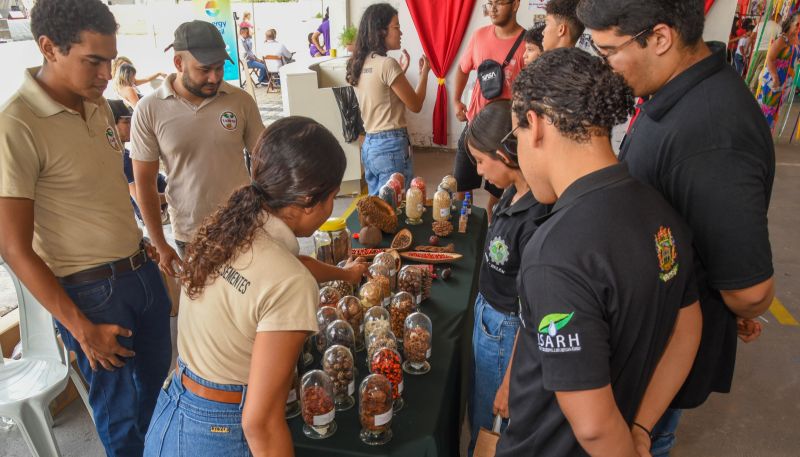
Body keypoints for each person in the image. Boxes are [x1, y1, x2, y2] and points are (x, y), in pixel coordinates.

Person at [577, 0, 776, 455]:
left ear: (661, 38)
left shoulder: (711, 134)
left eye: (609, 52)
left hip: (656, 364)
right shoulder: (677, 94)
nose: (606, 68)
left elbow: (749, 291)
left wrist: (743, 304)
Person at [496, 47, 702, 457]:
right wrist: (640, 428)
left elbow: (591, 426)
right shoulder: (660, 212)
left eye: (514, 135)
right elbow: (688, 325)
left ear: (534, 126)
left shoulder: (555, 254)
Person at [0, 1, 172, 455]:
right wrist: (78, 327)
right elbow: (14, 247)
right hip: (92, 295)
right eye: (93, 61)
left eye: (110, 60)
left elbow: (107, 190)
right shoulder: (16, 124)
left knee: (158, 396)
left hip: (140, 272)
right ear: (48, 48)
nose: (105, 74)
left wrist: (149, 247)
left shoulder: (96, 107)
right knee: (120, 414)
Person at [143, 116, 345, 456]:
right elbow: (260, 424)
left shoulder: (227, 229)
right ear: (310, 199)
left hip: (172, 412)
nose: (330, 208)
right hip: (217, 433)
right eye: (332, 198)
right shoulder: (290, 281)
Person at [131, 20, 265, 276]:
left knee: (251, 306)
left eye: (219, 68)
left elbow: (265, 158)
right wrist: (160, 244)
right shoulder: (149, 109)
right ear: (179, 64)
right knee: (208, 306)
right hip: (191, 234)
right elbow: (144, 183)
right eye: (204, 69)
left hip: (244, 227)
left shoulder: (240, 101)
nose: (214, 77)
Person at [463, 100, 547, 457]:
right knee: (478, 404)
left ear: (505, 153)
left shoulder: (536, 216)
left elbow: (532, 314)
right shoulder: (513, 193)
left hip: (506, 331)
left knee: (491, 418)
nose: (481, 173)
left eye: (482, 161)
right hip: (490, 316)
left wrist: (510, 381)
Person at [346, 3, 430, 195]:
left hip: (370, 146)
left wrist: (401, 71)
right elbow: (416, 104)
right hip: (391, 147)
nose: (400, 33)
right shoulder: (387, 64)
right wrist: (424, 73)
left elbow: (381, 94)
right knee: (396, 212)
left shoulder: (359, 63)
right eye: (396, 27)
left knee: (377, 210)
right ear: (381, 31)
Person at [452, 0, 526, 218]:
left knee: (498, 186)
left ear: (515, 5)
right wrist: (457, 100)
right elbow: (463, 68)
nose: (493, 8)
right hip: (474, 123)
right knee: (462, 179)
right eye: (490, 3)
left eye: (500, 3)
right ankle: (465, 217)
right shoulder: (479, 36)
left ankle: (491, 212)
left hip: (505, 133)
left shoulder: (527, 43)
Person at [108, 100, 168, 224]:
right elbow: (143, 200)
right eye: (126, 122)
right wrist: (176, 196)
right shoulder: (121, 159)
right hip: (162, 211)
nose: (132, 125)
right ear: (111, 125)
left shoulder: (123, 154)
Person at [756, 13, 800, 131]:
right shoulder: (783, 38)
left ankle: (764, 137)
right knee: (767, 109)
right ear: (790, 23)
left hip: (785, 82)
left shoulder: (796, 41)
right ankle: (759, 137)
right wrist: (775, 77)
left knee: (774, 111)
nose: (798, 27)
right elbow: (770, 58)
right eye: (797, 24)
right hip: (773, 80)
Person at [748, 13, 782, 91]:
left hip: (757, 49)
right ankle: (752, 88)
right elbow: (779, 41)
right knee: (759, 70)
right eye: (780, 20)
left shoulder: (760, 24)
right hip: (768, 51)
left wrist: (747, 48)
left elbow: (751, 37)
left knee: (751, 68)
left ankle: (745, 84)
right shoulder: (778, 27)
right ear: (778, 19)